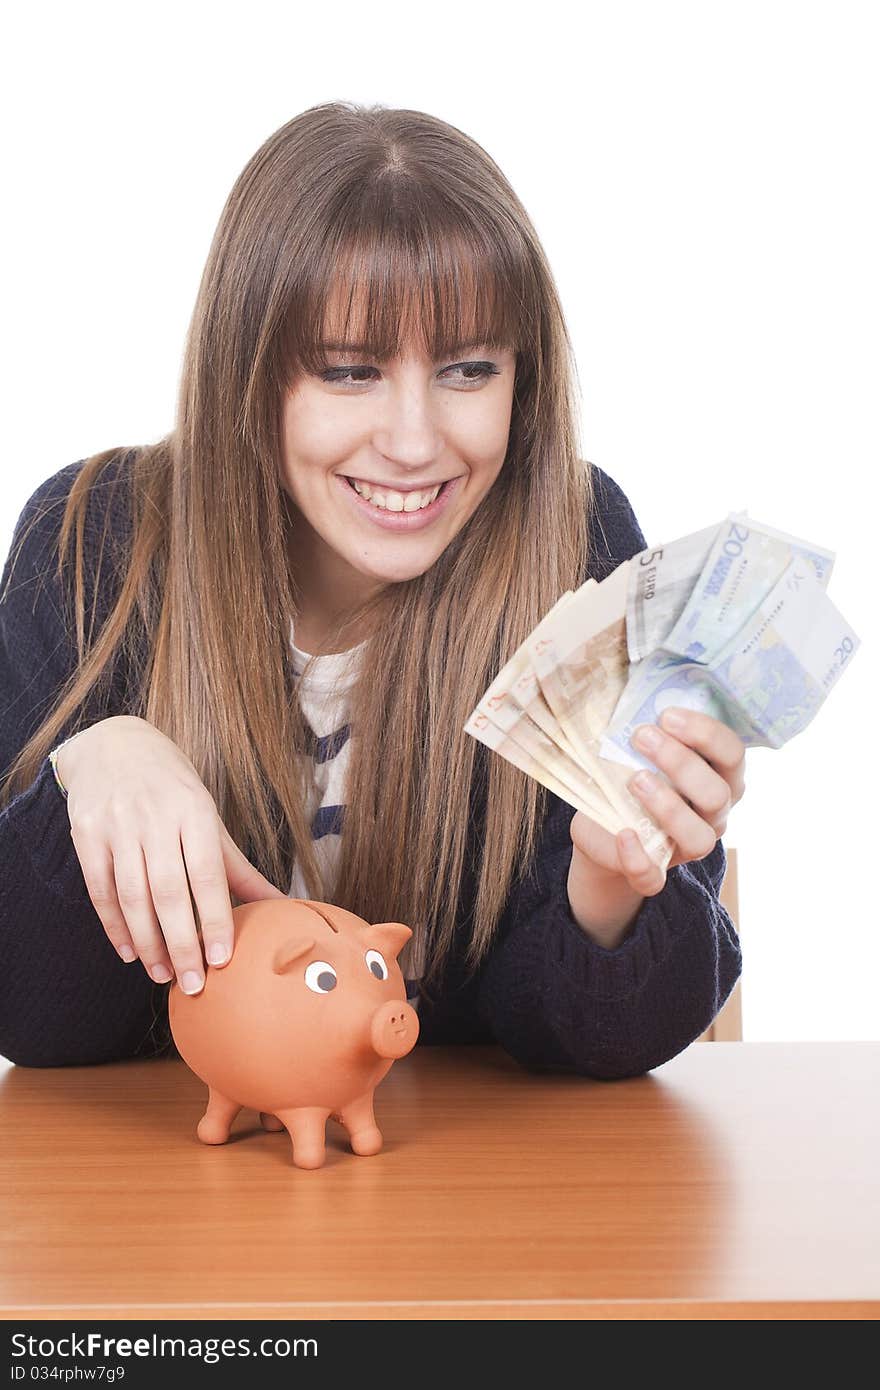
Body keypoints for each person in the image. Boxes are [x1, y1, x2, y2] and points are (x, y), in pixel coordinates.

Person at [0, 101, 743, 1075]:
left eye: (468, 369)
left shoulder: (576, 538)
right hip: (179, 1185)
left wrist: (606, 887)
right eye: (349, 371)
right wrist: (94, 761)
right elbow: (44, 1027)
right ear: (249, 374)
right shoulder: (92, 543)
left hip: (466, 1186)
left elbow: (592, 1050)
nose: (412, 441)